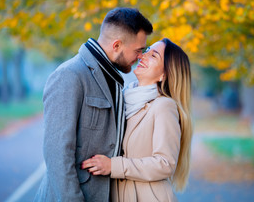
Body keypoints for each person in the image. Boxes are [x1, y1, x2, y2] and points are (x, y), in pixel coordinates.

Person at [34, 8, 153, 202]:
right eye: (138, 50)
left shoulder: (113, 79)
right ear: (116, 45)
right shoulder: (70, 75)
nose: (141, 56)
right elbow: (57, 154)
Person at [82, 38, 193, 202]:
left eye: (153, 56)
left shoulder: (164, 106)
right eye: (147, 51)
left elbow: (165, 164)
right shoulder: (122, 97)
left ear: (165, 74)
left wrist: (113, 166)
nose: (142, 56)